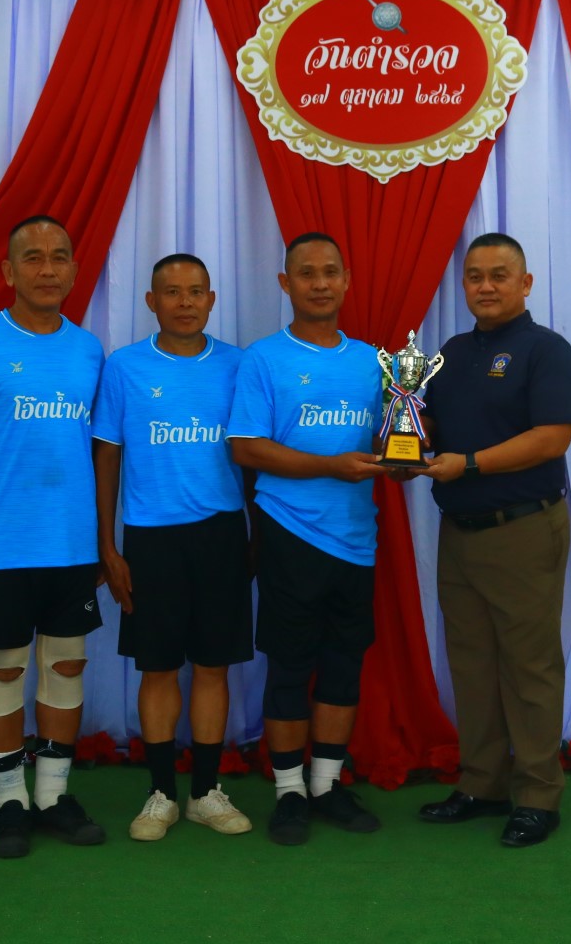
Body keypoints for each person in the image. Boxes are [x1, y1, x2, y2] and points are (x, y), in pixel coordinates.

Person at [0, 215, 107, 858]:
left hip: (72, 546)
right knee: (4, 669)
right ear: (9, 271)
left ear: (74, 270)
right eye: (32, 258)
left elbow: (101, 451)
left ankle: (52, 796)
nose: (47, 269)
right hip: (2, 548)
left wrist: (102, 540)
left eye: (59, 256)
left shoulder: (89, 351)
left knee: (65, 666)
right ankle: (10, 801)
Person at [417, 233, 571, 848]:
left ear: (525, 283)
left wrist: (470, 464)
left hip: (523, 529)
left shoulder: (546, 350)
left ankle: (537, 795)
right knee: (472, 663)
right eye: (474, 276)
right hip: (460, 532)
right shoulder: (453, 353)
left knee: (529, 665)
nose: (485, 286)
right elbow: (435, 427)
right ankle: (481, 783)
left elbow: (552, 437)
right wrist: (405, 438)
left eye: (498, 275)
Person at [227, 232, 387, 846]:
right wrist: (329, 467)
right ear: (285, 283)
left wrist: (405, 457)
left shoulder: (374, 362)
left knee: (344, 663)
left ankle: (326, 785)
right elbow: (247, 448)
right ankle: (290, 792)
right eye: (306, 273)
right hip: (289, 532)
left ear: (346, 280)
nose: (320, 283)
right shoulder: (263, 359)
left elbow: (393, 439)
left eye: (330, 272)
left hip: (356, 539)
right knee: (291, 666)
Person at [93, 253, 254, 841]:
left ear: (212, 300)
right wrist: (108, 546)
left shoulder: (238, 365)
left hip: (221, 535)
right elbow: (107, 456)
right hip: (150, 539)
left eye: (195, 291)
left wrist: (256, 535)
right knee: (157, 668)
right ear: (151, 301)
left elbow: (252, 456)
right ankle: (161, 793)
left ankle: (206, 792)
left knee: (213, 666)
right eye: (172, 292)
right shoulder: (124, 367)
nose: (185, 302)